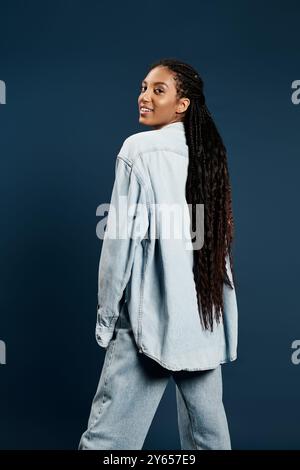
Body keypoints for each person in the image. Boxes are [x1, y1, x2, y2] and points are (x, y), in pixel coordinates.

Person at [78, 58, 238, 450]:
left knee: (107, 444)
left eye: (157, 89)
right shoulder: (208, 153)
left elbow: (119, 244)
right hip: (201, 319)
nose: (144, 96)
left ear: (182, 104)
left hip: (146, 323)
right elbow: (207, 246)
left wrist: (106, 318)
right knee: (210, 442)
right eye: (143, 87)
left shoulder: (139, 150)